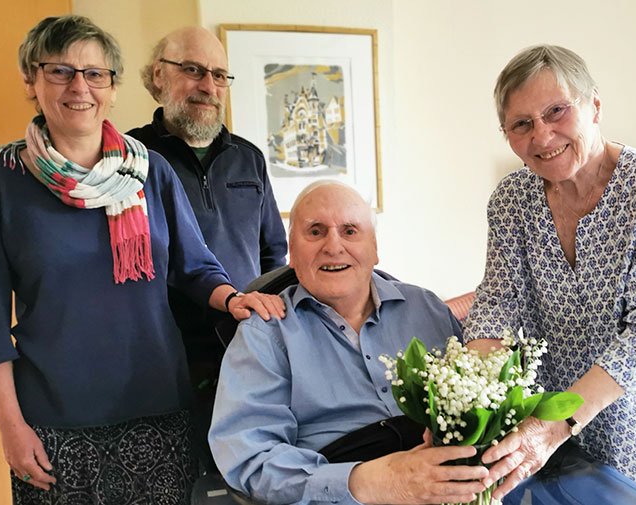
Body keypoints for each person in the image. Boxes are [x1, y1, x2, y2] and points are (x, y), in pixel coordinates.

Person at [0, 15, 282, 504]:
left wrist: (233, 300)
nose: (80, 87)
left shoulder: (148, 171)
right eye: (60, 71)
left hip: (158, 409)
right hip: (54, 421)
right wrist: (10, 425)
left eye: (95, 74)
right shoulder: (1, 176)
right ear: (32, 79)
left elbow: (195, 268)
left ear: (112, 87)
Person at [464, 45, 636, 504]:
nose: (543, 134)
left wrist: (557, 423)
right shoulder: (511, 200)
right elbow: (495, 308)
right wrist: (463, 407)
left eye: (556, 111)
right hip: (562, 436)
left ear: (594, 104)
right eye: (522, 124)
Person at [209, 181, 491, 505]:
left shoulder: (427, 308)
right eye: (315, 231)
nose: (333, 246)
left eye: (350, 231)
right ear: (292, 252)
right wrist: (364, 483)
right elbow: (251, 458)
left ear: (374, 248)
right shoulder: (265, 334)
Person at [127, 26, 287, 472]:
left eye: (219, 75)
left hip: (245, 349)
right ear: (159, 76)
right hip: (166, 355)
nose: (209, 86)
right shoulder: (128, 158)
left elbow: (274, 253)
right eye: (194, 70)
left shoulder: (249, 157)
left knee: (245, 473)